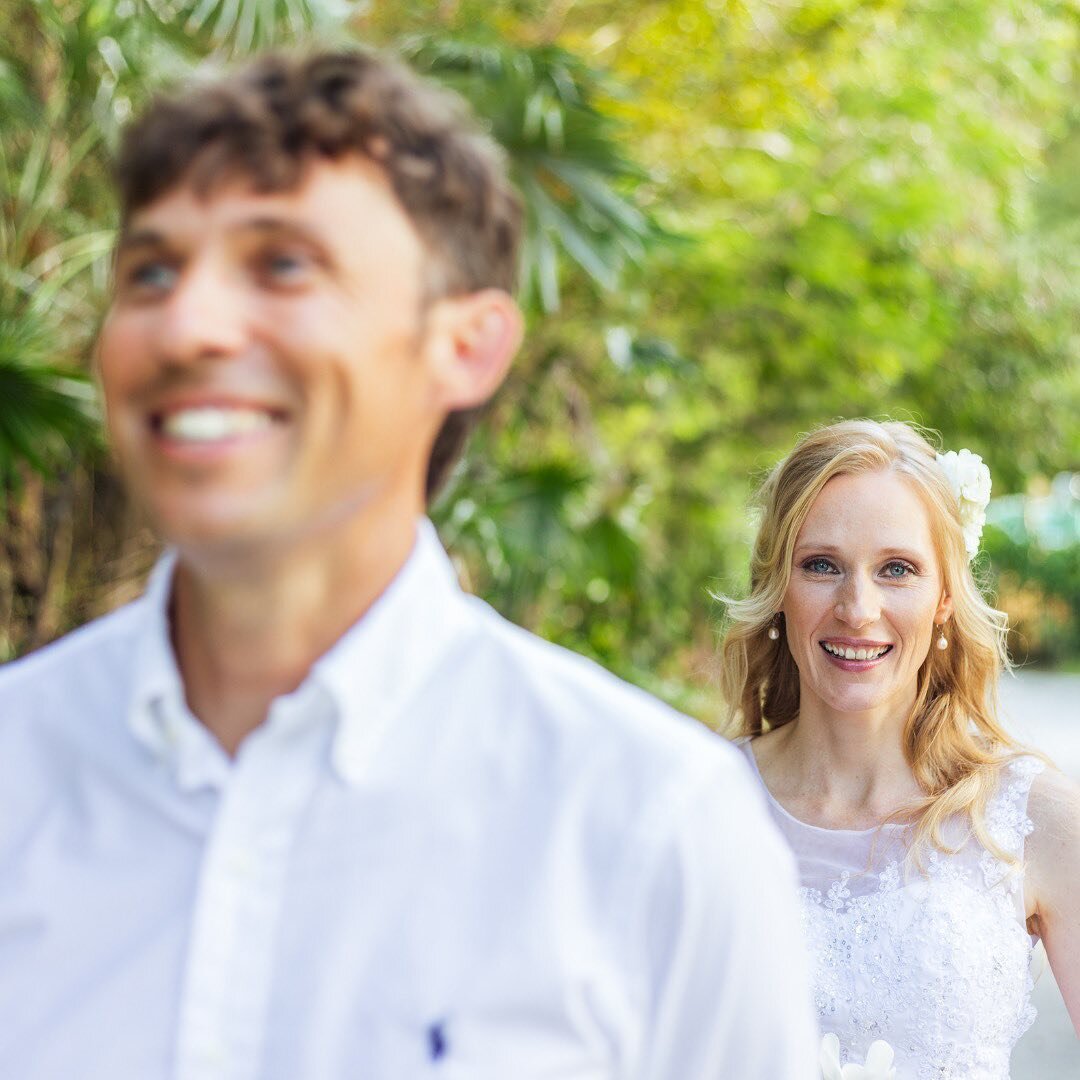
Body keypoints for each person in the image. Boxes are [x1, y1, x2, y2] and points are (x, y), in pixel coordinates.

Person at [0, 49, 817, 1079]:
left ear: (466, 346)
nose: (186, 325)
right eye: (151, 272)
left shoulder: (650, 826)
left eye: (282, 264)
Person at [717, 418, 1080, 1079]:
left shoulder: (1034, 819)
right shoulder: (697, 801)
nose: (858, 608)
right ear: (780, 590)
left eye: (896, 569)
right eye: (821, 565)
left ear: (944, 597)